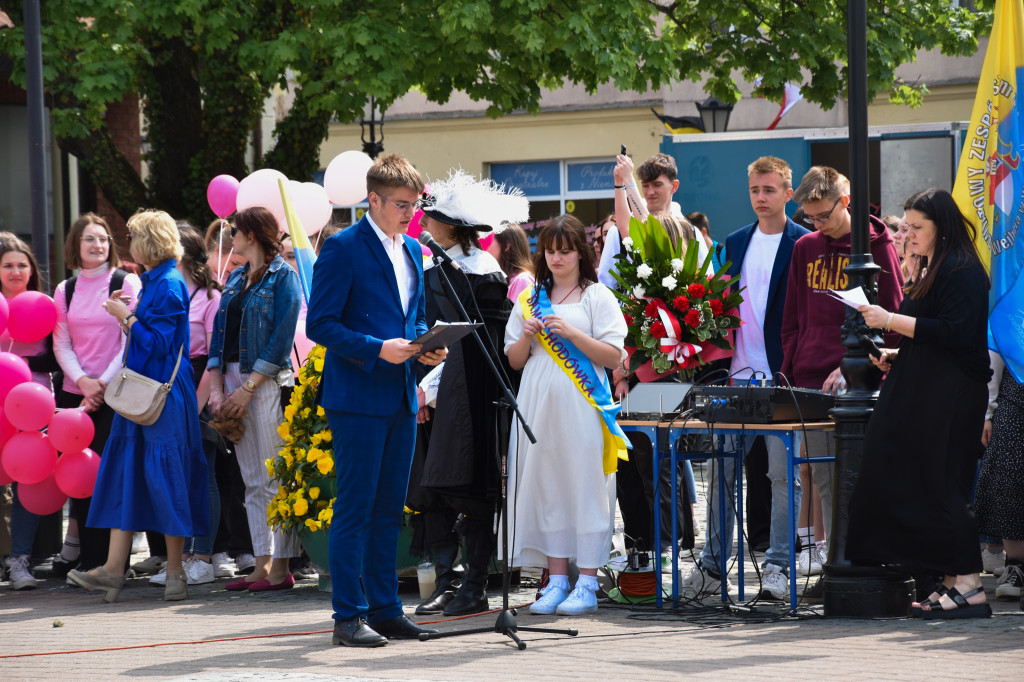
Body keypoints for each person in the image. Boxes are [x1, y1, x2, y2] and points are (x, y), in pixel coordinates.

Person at [306, 153, 446, 647]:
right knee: (356, 508)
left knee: (390, 510)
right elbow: (319, 324)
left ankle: (386, 610)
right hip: (357, 397)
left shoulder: (412, 251)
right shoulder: (343, 248)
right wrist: (377, 350)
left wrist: (427, 346)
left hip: (401, 396)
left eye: (415, 204)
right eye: (402, 205)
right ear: (373, 199)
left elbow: (414, 319)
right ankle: (348, 615)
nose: (411, 213)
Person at [850, 188, 992, 619]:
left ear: (942, 228)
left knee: (945, 484)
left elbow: (956, 333)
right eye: (906, 226)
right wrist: (897, 353)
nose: (907, 234)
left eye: (917, 228)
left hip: (952, 397)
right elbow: (934, 335)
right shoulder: (936, 266)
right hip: (929, 389)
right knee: (926, 484)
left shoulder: (963, 270)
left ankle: (969, 584)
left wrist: (889, 320)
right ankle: (950, 580)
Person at [680, 156, 810, 601]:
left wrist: (791, 368)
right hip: (734, 377)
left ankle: (778, 566)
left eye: (770, 190)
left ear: (788, 193)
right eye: (755, 190)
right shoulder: (735, 242)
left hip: (780, 378)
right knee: (722, 473)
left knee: (780, 474)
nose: (761, 197)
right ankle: (713, 567)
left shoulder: (803, 242)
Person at [67, 210, 207, 602]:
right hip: (144, 394)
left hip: (159, 395)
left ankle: (174, 572)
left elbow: (160, 345)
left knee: (166, 480)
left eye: (133, 236)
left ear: (149, 241)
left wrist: (126, 317)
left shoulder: (168, 283)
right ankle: (114, 569)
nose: (127, 243)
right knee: (128, 475)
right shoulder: (156, 281)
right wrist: (127, 311)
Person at [407, 170, 528, 617]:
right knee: (431, 490)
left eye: (431, 217)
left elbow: (481, 348)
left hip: (468, 397)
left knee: (472, 489)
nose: (423, 222)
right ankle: (444, 581)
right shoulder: (425, 268)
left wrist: (432, 385)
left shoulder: (483, 273)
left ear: (452, 227)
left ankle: (474, 583)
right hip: (425, 394)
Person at [782, 166, 904, 589]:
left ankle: (863, 564)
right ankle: (839, 567)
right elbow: (793, 316)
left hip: (861, 381)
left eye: (823, 215)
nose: (816, 224)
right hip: (810, 380)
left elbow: (892, 319)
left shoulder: (876, 249)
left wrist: (853, 363)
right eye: (809, 217)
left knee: (860, 476)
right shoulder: (806, 248)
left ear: (844, 201)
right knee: (823, 478)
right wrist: (792, 369)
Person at [504, 215, 627, 616]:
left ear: (581, 252)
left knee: (586, 485)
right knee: (548, 485)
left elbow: (613, 356)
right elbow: (515, 361)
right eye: (551, 250)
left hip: (582, 404)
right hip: (538, 404)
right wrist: (526, 336)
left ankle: (587, 582)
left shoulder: (597, 296)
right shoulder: (531, 297)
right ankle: (556, 580)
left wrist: (572, 334)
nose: (557, 258)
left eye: (565, 250)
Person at [206, 206, 302, 592]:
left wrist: (248, 387)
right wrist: (217, 386)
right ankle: (262, 565)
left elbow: (282, 337)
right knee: (251, 479)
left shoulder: (284, 277)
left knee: (274, 476)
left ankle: (281, 567)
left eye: (237, 229)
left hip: (264, 382)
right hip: (232, 379)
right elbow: (218, 335)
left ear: (253, 234)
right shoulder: (234, 277)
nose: (231, 234)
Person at [53, 214, 143, 578]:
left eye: (103, 239)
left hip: (116, 393)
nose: (98, 245)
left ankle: (114, 564)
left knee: (111, 476)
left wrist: (100, 385)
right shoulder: (65, 289)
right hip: (76, 396)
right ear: (76, 245)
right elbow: (61, 341)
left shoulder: (126, 281)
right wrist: (82, 382)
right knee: (81, 479)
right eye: (89, 239)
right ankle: (89, 561)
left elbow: (128, 339)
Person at [0, 234, 60, 590]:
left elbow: (56, 357)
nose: (16, 271)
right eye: (8, 265)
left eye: (22, 265)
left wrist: (23, 361)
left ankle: (21, 561)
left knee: (28, 478)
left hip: (33, 404)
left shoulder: (44, 305)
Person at [975, 351, 1024, 604]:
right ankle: (1016, 566)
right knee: (1007, 477)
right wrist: (987, 412)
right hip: (1014, 394)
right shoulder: (1010, 310)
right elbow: (995, 356)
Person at [487, 223, 534, 301]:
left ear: (506, 245)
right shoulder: (505, 281)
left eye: (489, 241)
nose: (483, 247)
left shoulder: (522, 281)